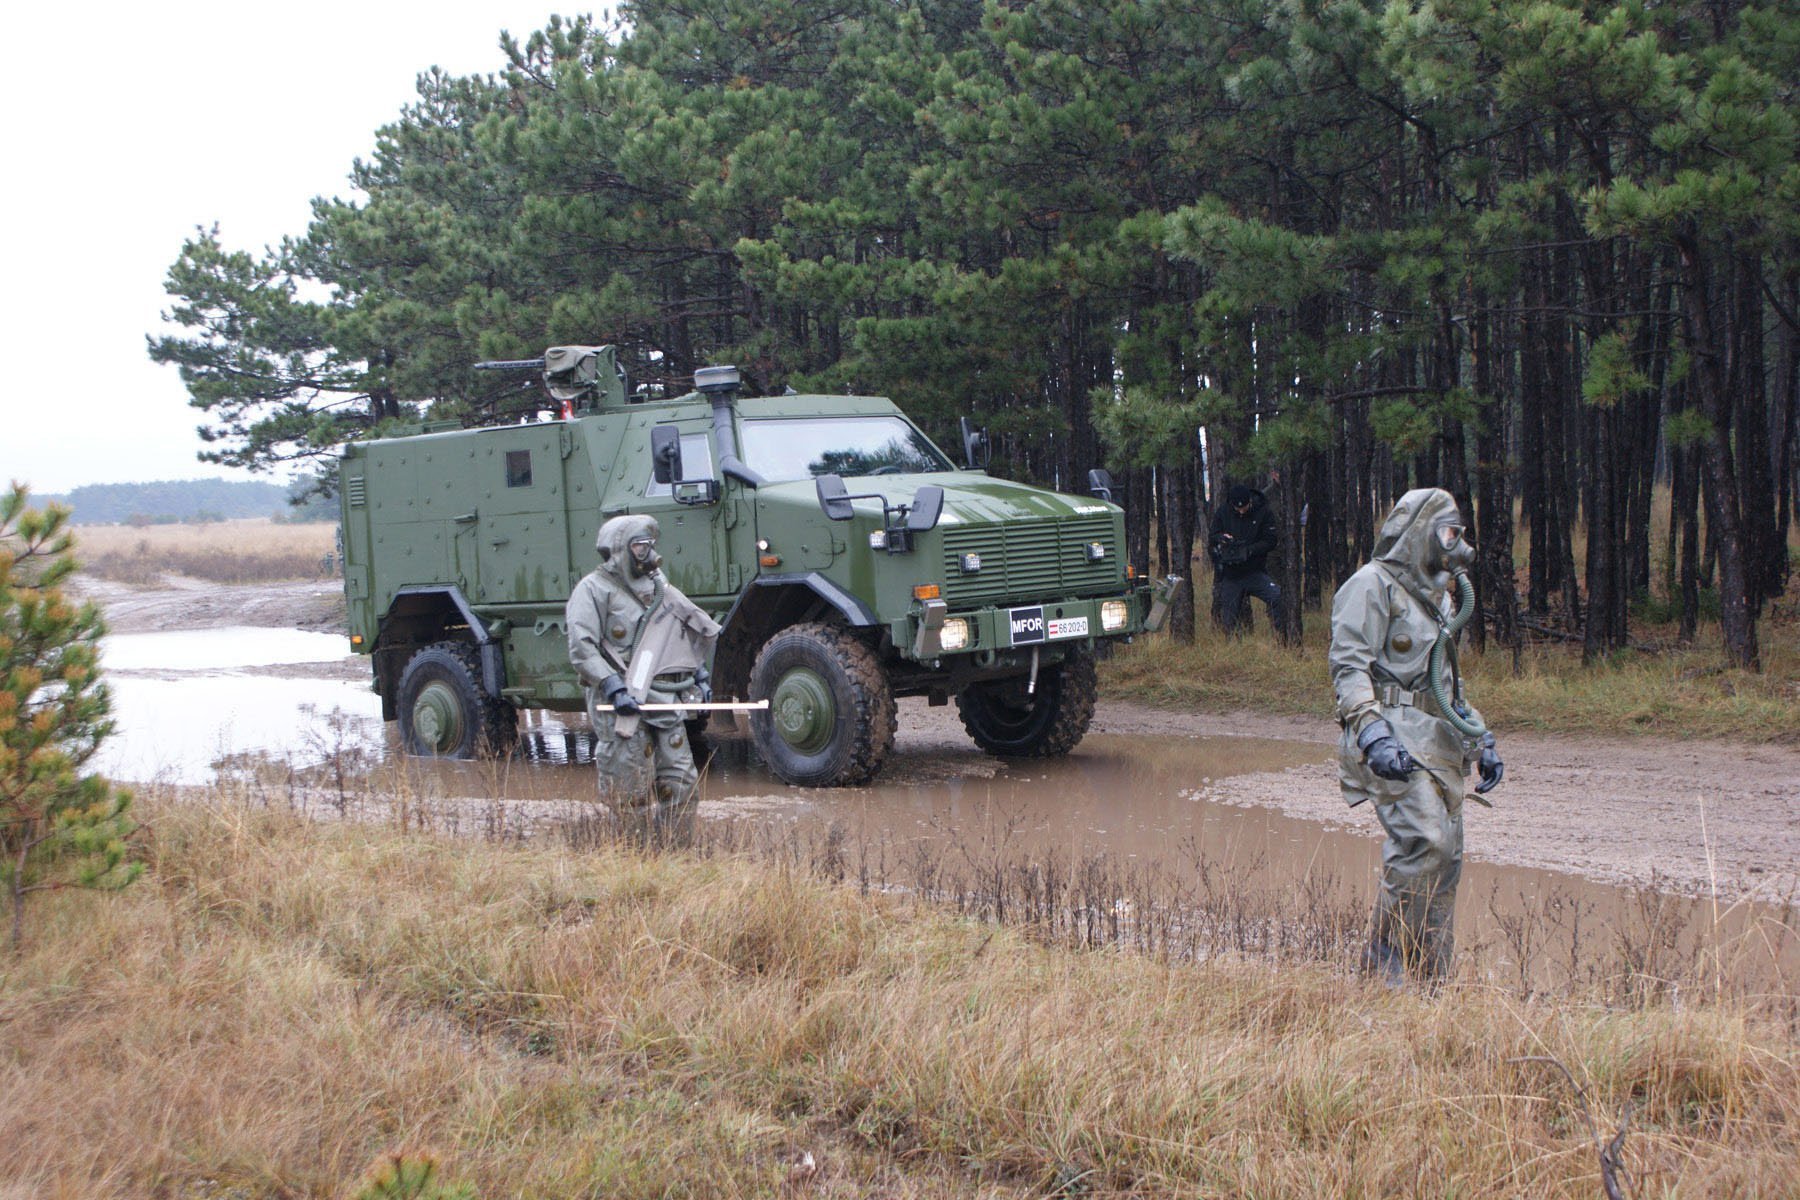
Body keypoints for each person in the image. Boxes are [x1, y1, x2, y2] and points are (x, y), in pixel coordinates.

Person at [1329, 488, 1504, 984]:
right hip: (1391, 739)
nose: (1457, 545)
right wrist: (1371, 733)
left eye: (1460, 535)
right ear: (1421, 533)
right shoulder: (1370, 586)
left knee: (1446, 859)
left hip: (1437, 744)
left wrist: (1480, 739)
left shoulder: (1439, 599)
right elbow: (1348, 667)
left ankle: (1430, 981)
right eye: (1449, 534)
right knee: (1425, 842)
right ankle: (1382, 960)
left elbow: (1447, 685)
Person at [567, 514, 721, 846]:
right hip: (623, 705)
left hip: (665, 700)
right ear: (619, 550)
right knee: (630, 791)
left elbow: (681, 633)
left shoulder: (660, 587)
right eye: (639, 546)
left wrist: (699, 676)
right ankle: (632, 864)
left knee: (680, 784)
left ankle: (675, 858)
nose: (647, 553)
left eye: (650, 545)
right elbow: (582, 648)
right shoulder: (593, 590)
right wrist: (612, 685)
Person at [1207, 483, 1282, 632]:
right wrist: (1223, 538)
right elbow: (1212, 536)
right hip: (1231, 575)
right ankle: (1233, 645)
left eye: (1244, 507)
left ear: (1250, 501)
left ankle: (1281, 636)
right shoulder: (1223, 512)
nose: (1241, 511)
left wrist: (1249, 550)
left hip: (1255, 572)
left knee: (1277, 597)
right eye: (1237, 508)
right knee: (1228, 617)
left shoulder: (1263, 511)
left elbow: (1271, 540)